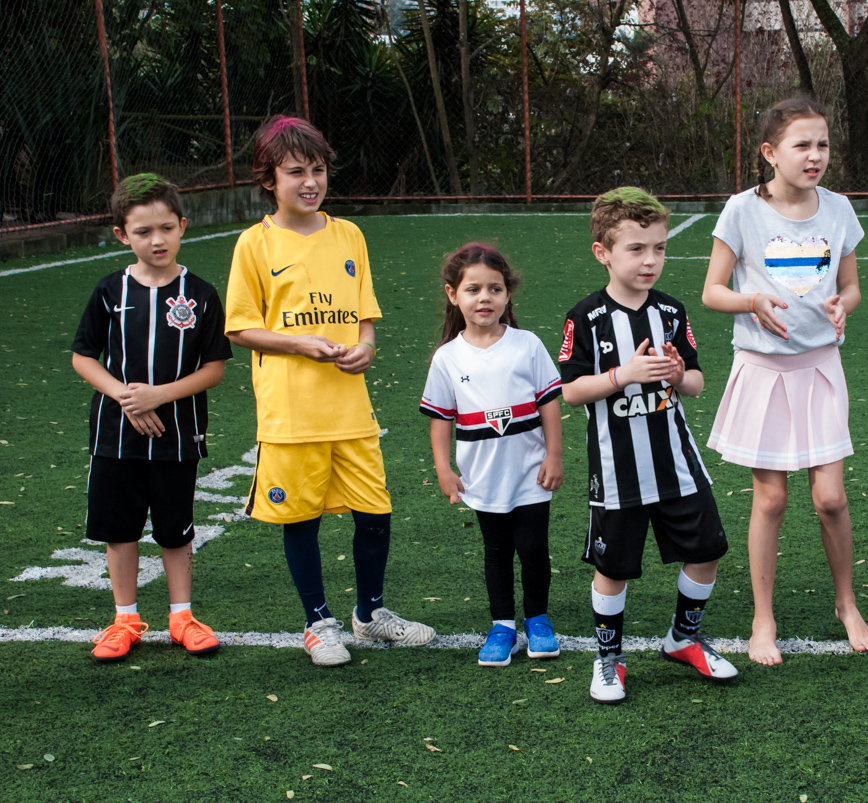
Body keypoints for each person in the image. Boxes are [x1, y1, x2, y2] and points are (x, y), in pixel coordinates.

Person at [224, 115, 433, 667]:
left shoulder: (349, 235)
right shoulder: (254, 244)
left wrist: (366, 346)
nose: (310, 181)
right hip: (292, 412)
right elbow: (240, 328)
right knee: (302, 518)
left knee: (375, 512)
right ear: (269, 178)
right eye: (296, 171)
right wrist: (298, 344)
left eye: (317, 169)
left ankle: (371, 615)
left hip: (351, 408)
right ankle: (318, 623)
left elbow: (365, 316)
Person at [701, 96, 868, 664]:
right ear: (770, 153)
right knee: (771, 500)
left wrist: (842, 306)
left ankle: (847, 604)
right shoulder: (741, 212)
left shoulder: (838, 209)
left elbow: (850, 286)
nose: (814, 155)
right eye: (802, 145)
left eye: (822, 144)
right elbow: (712, 291)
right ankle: (762, 619)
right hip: (763, 373)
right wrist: (751, 299)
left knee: (830, 498)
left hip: (819, 368)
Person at [560, 186, 738, 705]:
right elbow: (571, 392)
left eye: (659, 247)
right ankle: (608, 659)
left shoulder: (672, 311)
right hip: (617, 472)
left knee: (707, 551)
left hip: (678, 462)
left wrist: (680, 375)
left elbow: (698, 383)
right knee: (614, 569)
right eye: (636, 248)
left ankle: (684, 637)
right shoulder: (587, 318)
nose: (650, 259)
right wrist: (624, 374)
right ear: (604, 253)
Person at [72, 173, 231, 662]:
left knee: (174, 528)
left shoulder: (201, 294)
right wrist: (126, 397)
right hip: (115, 435)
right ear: (122, 235)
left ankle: (182, 616)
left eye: (166, 228)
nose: (157, 240)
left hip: (176, 435)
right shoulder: (108, 290)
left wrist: (159, 395)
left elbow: (214, 368)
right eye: (143, 231)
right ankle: (125, 620)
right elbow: (83, 356)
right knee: (120, 530)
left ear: (183, 226)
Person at [420, 243, 565, 667]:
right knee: (497, 550)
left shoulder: (527, 345)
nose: (484, 298)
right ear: (453, 295)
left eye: (495, 289)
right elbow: (441, 418)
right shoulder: (447, 358)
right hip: (483, 476)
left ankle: (537, 620)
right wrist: (444, 469)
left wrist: (554, 455)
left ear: (507, 295)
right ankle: (503, 625)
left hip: (530, 474)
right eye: (473, 289)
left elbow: (550, 404)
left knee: (534, 548)